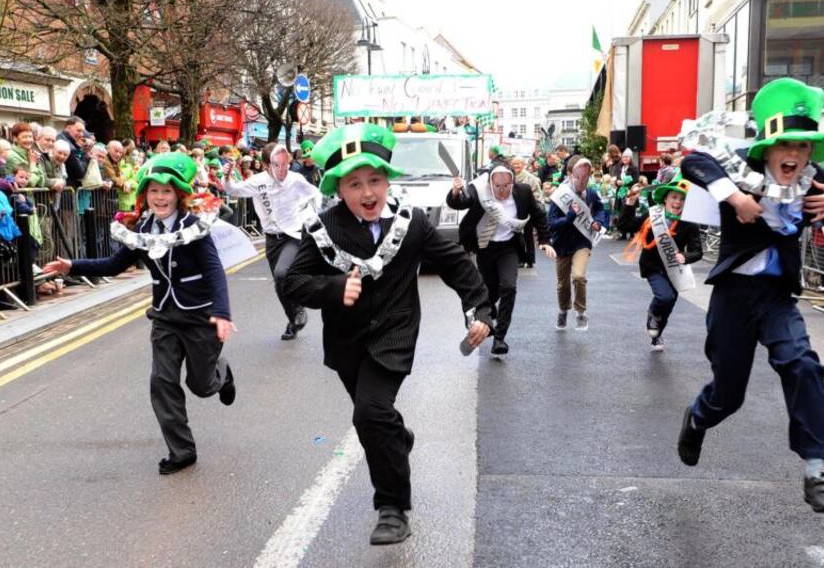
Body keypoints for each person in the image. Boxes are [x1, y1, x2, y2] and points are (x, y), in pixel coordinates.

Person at [675, 78, 824, 514]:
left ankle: (816, 471)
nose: (794, 155)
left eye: (804, 147)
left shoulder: (815, 181)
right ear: (767, 149)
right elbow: (695, 162)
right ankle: (697, 416)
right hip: (733, 296)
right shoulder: (741, 176)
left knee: (802, 362)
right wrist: (735, 199)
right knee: (729, 396)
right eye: (786, 144)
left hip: (776, 295)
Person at [283, 123, 492, 546]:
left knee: (369, 414)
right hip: (345, 345)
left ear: (387, 181)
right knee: (378, 421)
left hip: (393, 337)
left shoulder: (411, 223)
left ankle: (393, 508)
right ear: (339, 189)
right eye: (355, 183)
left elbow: (456, 265)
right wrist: (333, 288)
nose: (367, 192)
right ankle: (398, 436)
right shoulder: (323, 228)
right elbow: (292, 282)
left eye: (374, 180)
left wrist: (479, 309)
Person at [42, 152, 236, 475]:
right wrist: (73, 265)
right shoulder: (142, 227)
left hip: (200, 316)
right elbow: (114, 264)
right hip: (164, 317)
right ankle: (182, 450)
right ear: (145, 194)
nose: (160, 197)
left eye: (167, 191)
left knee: (201, 385)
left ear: (179, 194)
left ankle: (222, 373)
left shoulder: (193, 226)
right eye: (153, 191)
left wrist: (222, 312)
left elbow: (214, 271)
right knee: (161, 381)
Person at [447, 161, 554, 354]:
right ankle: (485, 315)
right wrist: (455, 192)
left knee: (509, 287)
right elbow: (459, 203)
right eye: (497, 186)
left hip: (509, 247)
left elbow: (538, 214)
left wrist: (545, 241)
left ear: (512, 183)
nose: (502, 190)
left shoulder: (522, 192)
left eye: (506, 186)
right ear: (490, 183)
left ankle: (499, 338)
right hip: (484, 247)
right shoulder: (478, 190)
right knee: (488, 292)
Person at [224, 142, 319, 340]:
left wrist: (311, 217)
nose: (281, 169)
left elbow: (316, 195)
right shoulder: (257, 181)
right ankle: (293, 318)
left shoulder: (295, 179)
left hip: (293, 235)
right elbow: (234, 190)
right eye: (276, 165)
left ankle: (298, 310)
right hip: (271, 239)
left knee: (282, 273)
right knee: (280, 282)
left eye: (284, 164)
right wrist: (227, 175)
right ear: (267, 165)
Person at [618, 172, 702, 350]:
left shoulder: (689, 223)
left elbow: (697, 251)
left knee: (669, 304)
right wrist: (630, 204)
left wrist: (685, 256)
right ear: (665, 199)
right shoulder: (653, 215)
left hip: (675, 269)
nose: (677, 202)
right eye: (674, 197)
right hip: (653, 266)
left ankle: (657, 335)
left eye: (682, 199)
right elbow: (626, 225)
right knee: (665, 297)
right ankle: (652, 313)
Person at [547, 156, 608, 331]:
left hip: (582, 242)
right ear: (569, 174)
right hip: (562, 244)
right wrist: (570, 218)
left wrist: (598, 222)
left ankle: (580, 312)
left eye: (586, 177)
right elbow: (551, 223)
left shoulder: (591, 193)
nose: (582, 181)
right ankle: (563, 311)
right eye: (578, 176)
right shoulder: (560, 196)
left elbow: (599, 210)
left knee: (579, 276)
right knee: (562, 283)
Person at [511, 156, 544, 268]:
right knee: (516, 235)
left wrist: (531, 204)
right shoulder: (510, 177)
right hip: (514, 211)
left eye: (518, 164)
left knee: (528, 235)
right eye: (514, 164)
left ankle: (530, 259)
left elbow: (538, 194)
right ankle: (520, 258)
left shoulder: (530, 178)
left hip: (527, 210)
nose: (516, 166)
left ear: (524, 165)